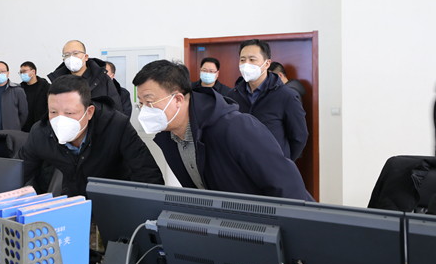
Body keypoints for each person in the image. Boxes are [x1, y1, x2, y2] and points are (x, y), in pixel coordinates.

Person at [133, 59, 313, 201]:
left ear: (178, 99)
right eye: (141, 103)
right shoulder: (168, 137)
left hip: (265, 226)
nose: (144, 110)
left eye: (149, 102)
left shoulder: (234, 126)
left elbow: (287, 186)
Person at [17, 75, 164, 197]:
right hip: (75, 200)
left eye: (69, 113)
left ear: (89, 112)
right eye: (53, 112)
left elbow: (147, 174)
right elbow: (17, 173)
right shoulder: (41, 132)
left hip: (115, 201)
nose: (60, 120)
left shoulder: (116, 126)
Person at [227, 39, 308, 161]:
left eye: (252, 59)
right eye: (242, 60)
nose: (246, 64)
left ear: (267, 63)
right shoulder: (232, 95)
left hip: (273, 167)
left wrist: (283, 162)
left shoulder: (287, 96)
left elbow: (299, 136)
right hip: (240, 166)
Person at [48, 40, 122, 112]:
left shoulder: (102, 78)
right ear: (64, 59)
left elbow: (116, 108)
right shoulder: (58, 82)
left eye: (75, 53)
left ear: (86, 57)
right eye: (67, 55)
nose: (71, 58)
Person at [19, 61, 50, 132]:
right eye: (21, 72)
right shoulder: (19, 89)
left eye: (24, 71)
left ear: (33, 71)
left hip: (42, 127)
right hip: (24, 128)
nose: (22, 74)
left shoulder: (46, 87)